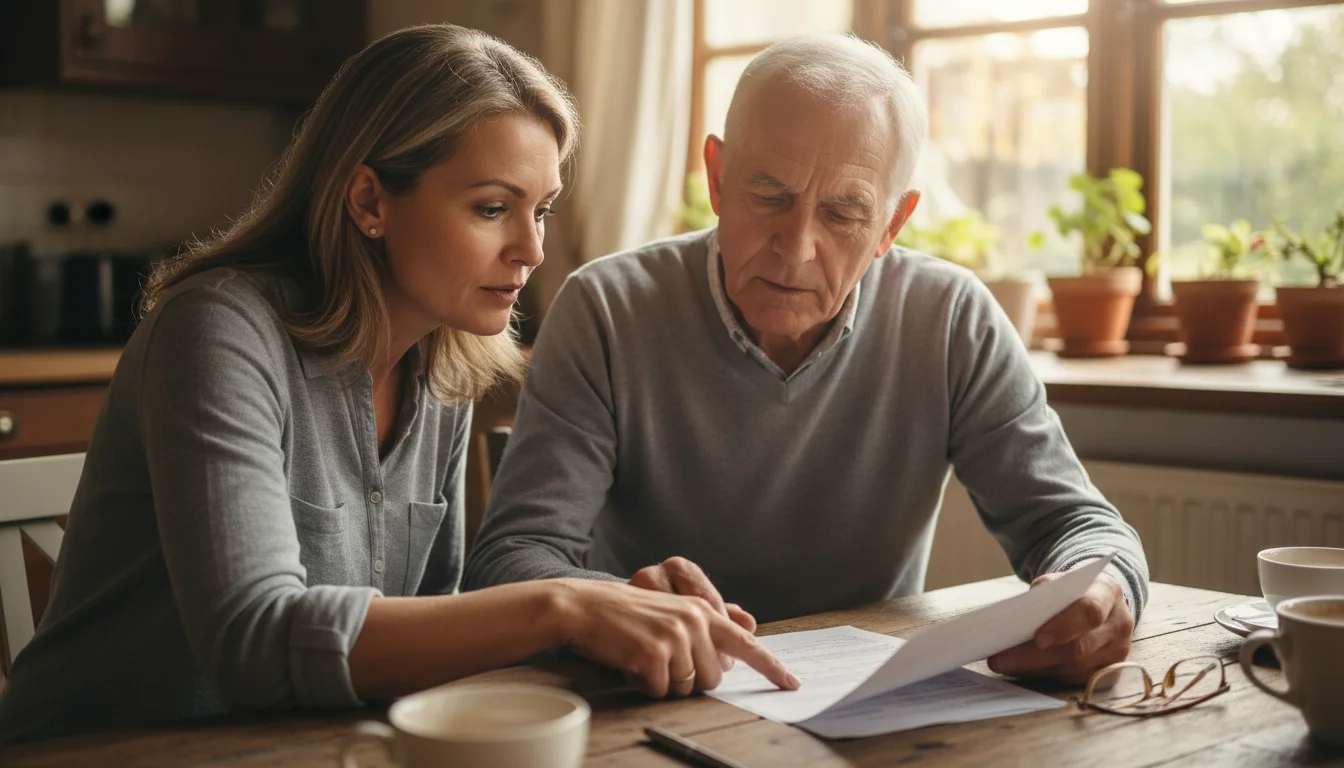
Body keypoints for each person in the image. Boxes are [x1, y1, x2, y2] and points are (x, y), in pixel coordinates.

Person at [0, 24, 796, 745]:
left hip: (301, 748)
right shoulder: (218, 331)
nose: (531, 250)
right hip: (96, 749)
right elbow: (253, 638)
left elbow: (428, 632)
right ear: (370, 199)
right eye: (492, 208)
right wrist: (564, 607)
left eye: (542, 211)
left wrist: (615, 604)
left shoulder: (441, 364)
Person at [465, 33, 1150, 685]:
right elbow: (511, 562)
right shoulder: (608, 309)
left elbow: (1077, 525)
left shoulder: (948, 319)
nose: (795, 248)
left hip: (869, 705)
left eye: (844, 212)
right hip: (653, 690)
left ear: (892, 224)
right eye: (770, 196)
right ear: (717, 176)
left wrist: (1103, 588)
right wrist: (617, 608)